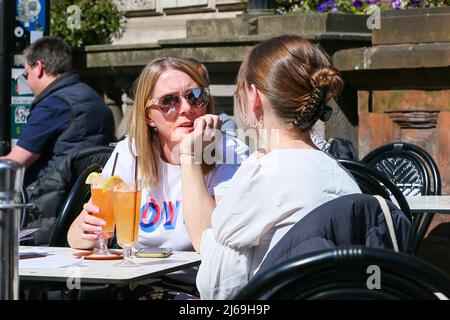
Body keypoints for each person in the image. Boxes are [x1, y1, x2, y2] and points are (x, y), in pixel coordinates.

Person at [180, 35, 362, 299]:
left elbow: (217, 288)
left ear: (254, 97)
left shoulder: (262, 174)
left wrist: (189, 157)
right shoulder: (341, 174)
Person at [67, 56, 248, 294]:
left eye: (195, 96)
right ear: (148, 117)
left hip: (198, 290)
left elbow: (209, 244)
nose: (186, 108)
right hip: (135, 285)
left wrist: (190, 157)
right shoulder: (131, 152)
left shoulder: (231, 152)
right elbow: (76, 239)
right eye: (169, 101)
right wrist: (90, 229)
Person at [0, 36, 115, 187]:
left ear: (39, 67)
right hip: (84, 196)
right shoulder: (94, 98)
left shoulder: (53, 106)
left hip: (45, 198)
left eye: (26, 74)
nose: (27, 82)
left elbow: (14, 163)